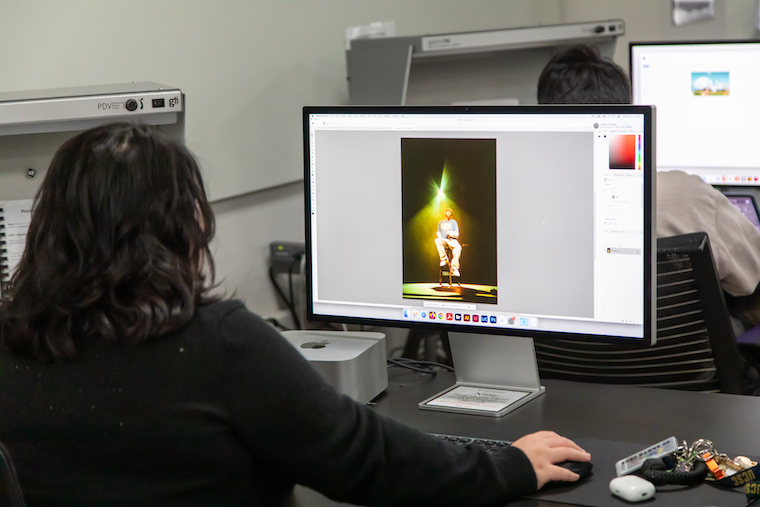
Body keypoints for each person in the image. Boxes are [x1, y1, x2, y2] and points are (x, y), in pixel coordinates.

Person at [0, 122, 590, 506]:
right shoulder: (216, 345)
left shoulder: (12, 344)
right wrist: (509, 467)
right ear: (187, 225)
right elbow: (370, 461)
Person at [537, 45, 760, 330]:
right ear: (628, 117)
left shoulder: (527, 207)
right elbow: (750, 278)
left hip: (563, 371)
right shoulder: (691, 198)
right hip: (682, 370)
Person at [435, 207, 462, 277]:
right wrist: (439, 236)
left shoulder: (453, 222)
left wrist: (450, 233)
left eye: (450, 212)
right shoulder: (441, 222)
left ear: (451, 214)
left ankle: (454, 268)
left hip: (452, 240)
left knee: (458, 247)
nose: (448, 213)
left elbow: (457, 234)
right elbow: (438, 232)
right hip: (443, 239)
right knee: (437, 240)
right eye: (447, 212)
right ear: (445, 213)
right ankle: (443, 259)